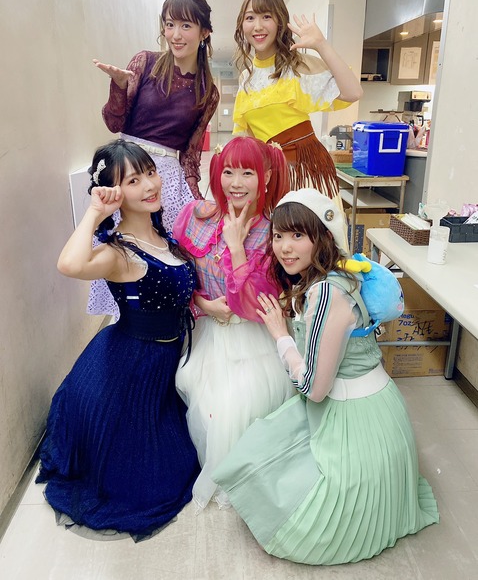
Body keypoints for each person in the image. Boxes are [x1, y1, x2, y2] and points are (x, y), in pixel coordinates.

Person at [213, 188, 439, 565]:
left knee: (272, 484)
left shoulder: (324, 295)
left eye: (298, 235)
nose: (285, 247)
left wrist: (280, 335)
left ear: (323, 237)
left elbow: (313, 389)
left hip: (353, 418)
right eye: (279, 235)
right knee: (266, 445)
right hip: (381, 411)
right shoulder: (344, 273)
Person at [36, 139, 200, 541]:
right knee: (154, 478)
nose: (150, 185)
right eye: (133, 180)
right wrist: (95, 212)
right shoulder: (119, 253)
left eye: (150, 173)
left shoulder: (162, 235)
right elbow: (69, 264)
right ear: (114, 192)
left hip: (165, 361)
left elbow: (179, 293)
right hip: (131, 368)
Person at [172, 136, 296, 510]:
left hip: (253, 338)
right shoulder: (196, 216)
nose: (236, 183)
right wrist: (203, 304)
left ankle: (242, 481)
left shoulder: (275, 232)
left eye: (247, 173)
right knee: (201, 399)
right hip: (207, 332)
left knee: (236, 407)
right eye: (228, 172)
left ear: (266, 175)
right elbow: (176, 277)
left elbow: (259, 305)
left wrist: (237, 247)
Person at [90, 0, 219, 316]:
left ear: (204, 32)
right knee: (124, 250)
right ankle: (127, 323)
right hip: (127, 169)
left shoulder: (208, 91)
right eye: (170, 24)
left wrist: (197, 198)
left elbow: (191, 154)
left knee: (169, 254)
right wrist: (119, 87)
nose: (175, 34)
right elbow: (114, 122)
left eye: (186, 25)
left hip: (167, 179)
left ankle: (171, 321)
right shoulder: (145, 62)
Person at [233, 0, 363, 200]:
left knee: (307, 222)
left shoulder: (296, 66)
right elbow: (247, 136)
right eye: (250, 18)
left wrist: (321, 45)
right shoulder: (246, 77)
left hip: (305, 170)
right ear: (241, 24)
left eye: (266, 16)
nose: (258, 26)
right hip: (271, 173)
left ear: (279, 22)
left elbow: (353, 92)